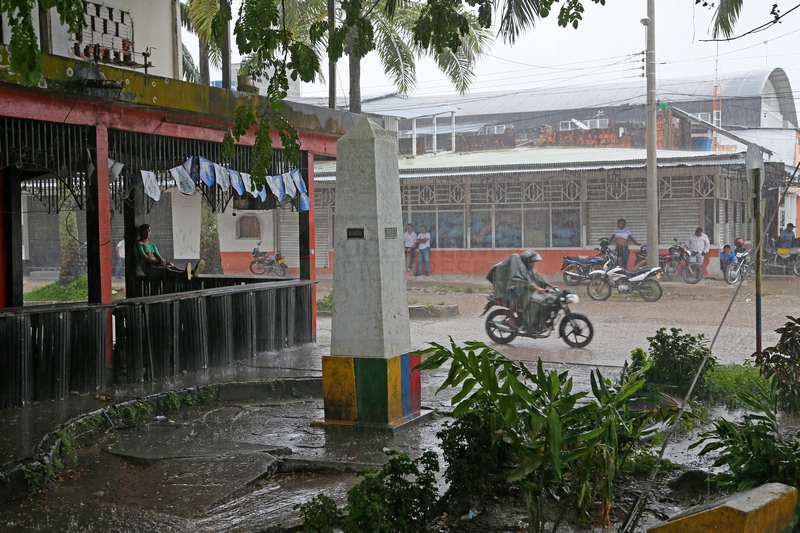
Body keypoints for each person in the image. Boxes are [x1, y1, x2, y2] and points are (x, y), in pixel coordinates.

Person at [489, 250, 556, 330]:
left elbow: (538, 277)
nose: (533, 264)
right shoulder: (518, 269)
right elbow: (523, 283)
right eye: (531, 262)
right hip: (504, 289)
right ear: (526, 261)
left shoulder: (527, 268)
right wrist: (538, 288)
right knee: (515, 299)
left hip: (513, 288)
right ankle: (511, 319)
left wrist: (551, 286)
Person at [134, 224, 204, 279]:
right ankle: (185, 274)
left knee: (171, 265)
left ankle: (191, 272)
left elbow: (159, 257)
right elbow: (146, 259)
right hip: (149, 269)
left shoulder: (152, 245)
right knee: (166, 270)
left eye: (149, 231)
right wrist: (159, 262)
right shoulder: (138, 244)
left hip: (157, 265)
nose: (147, 233)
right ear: (140, 233)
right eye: (145, 231)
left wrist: (163, 261)